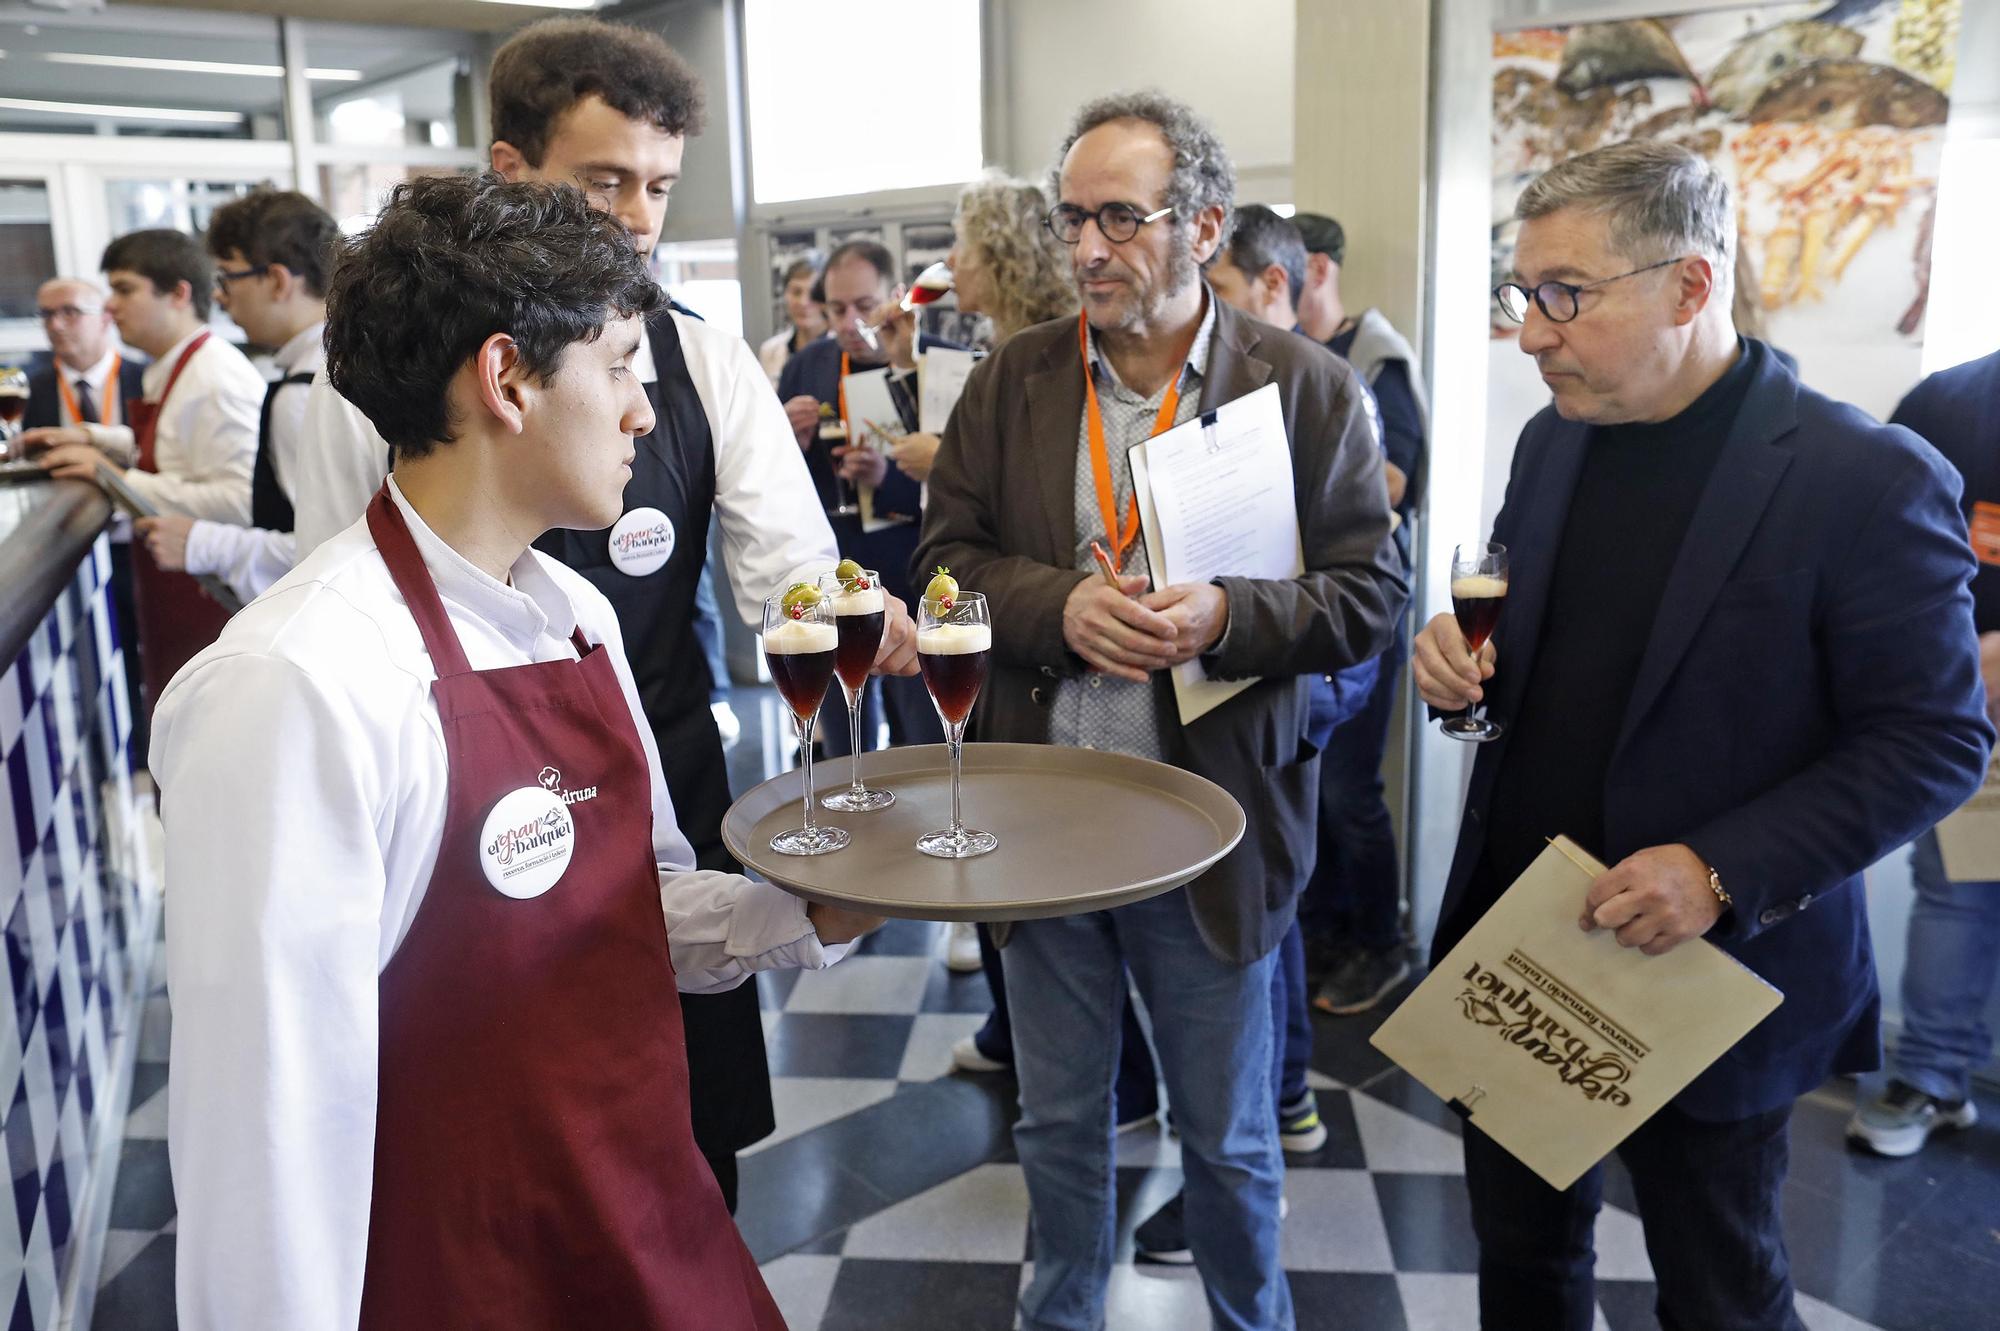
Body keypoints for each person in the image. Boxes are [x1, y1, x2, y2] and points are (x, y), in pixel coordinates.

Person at [155, 171, 879, 1329]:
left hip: (639, 1211)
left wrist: (802, 913)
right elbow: (269, 1134)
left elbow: (620, 905)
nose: (646, 410)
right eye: (622, 365)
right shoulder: (292, 686)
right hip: (460, 1273)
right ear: (505, 378)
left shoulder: (574, 617)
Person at [282, 16, 916, 1210]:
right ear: (511, 170)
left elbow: (789, 568)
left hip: (655, 766)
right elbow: (337, 579)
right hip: (444, 805)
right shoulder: (377, 392)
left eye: (659, 187)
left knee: (679, 1143)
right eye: (603, 180)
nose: (634, 216)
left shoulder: (691, 371)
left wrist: (848, 611)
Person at [1414, 140, 1990, 1330]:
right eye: (1522, 294)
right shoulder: (1553, 438)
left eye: (1565, 294)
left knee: (1719, 1288)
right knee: (1522, 1264)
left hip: (1713, 972)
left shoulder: (1864, 477)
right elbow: (1540, 671)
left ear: (1688, 285)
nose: (1530, 332)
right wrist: (1464, 686)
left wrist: (1722, 870)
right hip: (1529, 942)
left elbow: (1933, 741)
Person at [915, 92, 1404, 1331]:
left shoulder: (1303, 390)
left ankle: (1252, 1316)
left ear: (1203, 224)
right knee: (1059, 1118)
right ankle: (1061, 1312)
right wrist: (1054, 608)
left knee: (1227, 1134)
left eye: (1119, 218)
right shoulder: (1014, 381)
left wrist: (1228, 616)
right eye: (1072, 217)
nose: (1087, 248)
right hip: (1042, 822)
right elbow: (946, 559)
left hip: (1211, 823)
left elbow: (1366, 596)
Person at [1846, 345, 2000, 1158]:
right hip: (1967, 702)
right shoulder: (1948, 403)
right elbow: (1876, 545)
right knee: (1956, 889)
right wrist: (1943, 654)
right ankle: (1934, 1075)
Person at [26, 229, 266, 723]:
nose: (110, 307)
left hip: (212, 603)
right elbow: (180, 455)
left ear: (178, 294)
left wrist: (111, 477)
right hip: (176, 591)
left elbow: (242, 500)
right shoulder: (177, 367)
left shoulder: (215, 378)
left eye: (124, 289)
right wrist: (96, 439)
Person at [1292, 209, 1430, 1016]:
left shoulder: (1375, 355)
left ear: (1308, 270)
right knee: (1310, 784)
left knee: (1351, 790)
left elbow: (1397, 485)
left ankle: (1383, 946)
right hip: (1302, 602)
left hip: (1366, 604)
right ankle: (1326, 933)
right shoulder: (1288, 355)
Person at [776, 238, 947, 750]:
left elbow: (962, 483)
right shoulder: (806, 366)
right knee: (843, 736)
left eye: (864, 307)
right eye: (836, 309)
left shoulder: (936, 366)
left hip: (916, 570)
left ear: (896, 295)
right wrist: (793, 442)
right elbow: (781, 483)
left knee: (922, 732)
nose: (849, 323)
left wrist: (889, 478)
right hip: (836, 570)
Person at [135, 190, 338, 604]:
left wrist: (203, 543)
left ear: (278, 280)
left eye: (228, 277)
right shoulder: (346, 361)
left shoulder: (305, 391)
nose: (222, 298)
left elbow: (331, 557)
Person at [26, 277, 149, 750]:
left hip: (144, 539)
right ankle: (104, 750)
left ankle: (145, 755)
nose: (56, 325)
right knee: (89, 659)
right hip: (67, 554)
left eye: (70, 312)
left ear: (105, 317)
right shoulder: (28, 392)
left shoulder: (146, 378)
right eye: (46, 315)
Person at [757, 252, 826, 387]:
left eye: (813, 294)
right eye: (796, 292)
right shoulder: (769, 351)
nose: (803, 302)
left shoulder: (844, 348)